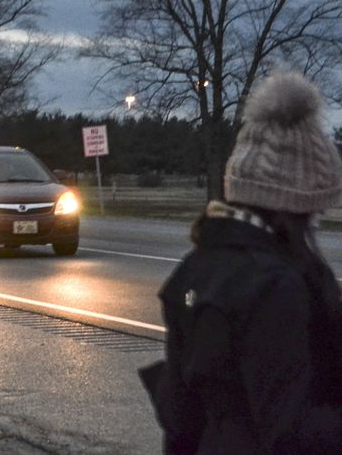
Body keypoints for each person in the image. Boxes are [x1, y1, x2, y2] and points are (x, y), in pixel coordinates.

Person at [143, 71, 342, 453]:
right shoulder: (275, 286)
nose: (317, 223)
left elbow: (181, 419)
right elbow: (290, 431)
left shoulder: (198, 266)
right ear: (294, 208)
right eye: (315, 212)